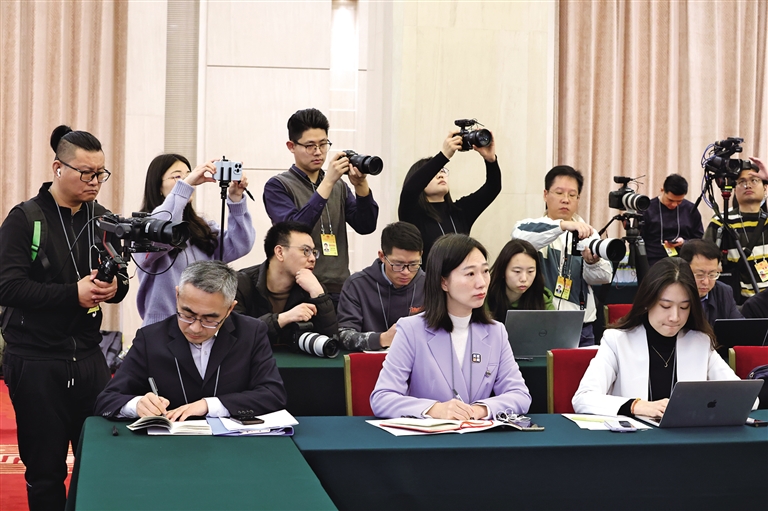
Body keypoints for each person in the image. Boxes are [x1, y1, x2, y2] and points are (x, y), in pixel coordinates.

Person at [0, 125, 129, 510]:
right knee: (45, 470)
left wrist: (115, 288)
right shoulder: (25, 219)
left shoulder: (103, 219)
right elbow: (7, 288)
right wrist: (72, 294)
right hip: (35, 360)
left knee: (100, 462)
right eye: (86, 173)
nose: (95, 182)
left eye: (101, 173)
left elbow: (121, 278)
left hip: (89, 357)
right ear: (58, 168)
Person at [94, 260, 286, 421]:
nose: (195, 327)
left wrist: (209, 405)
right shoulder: (150, 338)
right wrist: (136, 405)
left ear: (229, 309)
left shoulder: (251, 333)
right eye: (187, 314)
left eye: (209, 319)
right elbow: (107, 400)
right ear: (177, 296)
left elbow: (273, 394)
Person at [370, 234, 531, 420]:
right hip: (429, 436)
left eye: (485, 271)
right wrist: (434, 410)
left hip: (476, 433)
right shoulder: (411, 330)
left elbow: (520, 395)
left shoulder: (496, 332)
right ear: (443, 282)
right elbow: (382, 398)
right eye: (470, 274)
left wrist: (481, 409)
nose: (481, 283)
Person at [572, 258, 748, 418]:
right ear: (647, 302)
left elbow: (746, 398)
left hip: (686, 438)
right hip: (634, 439)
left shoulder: (700, 342)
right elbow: (583, 399)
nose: (675, 317)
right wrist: (635, 406)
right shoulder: (617, 341)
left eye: (684, 307)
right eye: (665, 306)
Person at [263, 108, 379, 305]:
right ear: (291, 146)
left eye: (323, 144)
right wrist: (328, 183)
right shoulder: (278, 186)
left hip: (339, 287)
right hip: (299, 287)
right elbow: (294, 230)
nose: (318, 152)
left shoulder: (339, 186)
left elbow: (366, 225)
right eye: (310, 146)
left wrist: (360, 185)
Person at [136, 153, 255, 326]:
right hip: (162, 326)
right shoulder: (142, 228)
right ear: (158, 187)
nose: (186, 182)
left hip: (201, 326)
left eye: (188, 175)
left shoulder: (201, 227)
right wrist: (185, 185)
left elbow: (241, 244)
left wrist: (236, 199)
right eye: (177, 177)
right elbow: (162, 232)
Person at [512, 165, 613, 346]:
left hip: (582, 327)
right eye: (559, 193)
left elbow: (605, 276)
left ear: (578, 199)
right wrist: (562, 226)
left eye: (572, 195)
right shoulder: (533, 227)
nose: (566, 200)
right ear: (545, 195)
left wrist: (592, 262)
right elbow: (519, 237)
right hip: (542, 323)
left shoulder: (589, 234)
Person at [398, 128, 501, 261]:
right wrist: (444, 155)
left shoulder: (460, 211)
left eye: (442, 171)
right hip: (428, 275)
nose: (440, 175)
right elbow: (410, 190)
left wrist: (490, 160)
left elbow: (493, 188)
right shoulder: (412, 213)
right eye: (434, 173)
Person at [234, 221, 337, 345]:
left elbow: (331, 341)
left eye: (314, 252)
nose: (312, 258)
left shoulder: (311, 287)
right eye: (306, 250)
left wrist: (319, 295)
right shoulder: (241, 283)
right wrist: (284, 318)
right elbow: (235, 334)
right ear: (280, 252)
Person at [337, 221, 426, 351]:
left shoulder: (429, 284)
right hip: (370, 361)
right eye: (398, 264)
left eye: (413, 264)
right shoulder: (357, 285)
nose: (406, 272)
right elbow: (344, 335)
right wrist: (382, 339)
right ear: (382, 256)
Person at [704, 160, 768, 304]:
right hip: (738, 304)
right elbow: (704, 257)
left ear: (765, 187)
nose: (748, 185)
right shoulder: (721, 222)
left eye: (754, 180)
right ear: (734, 189)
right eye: (741, 182)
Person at [641, 174, 704, 266]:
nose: (674, 205)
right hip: (652, 261)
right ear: (662, 190)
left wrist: (684, 243)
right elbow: (639, 240)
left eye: (679, 201)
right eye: (670, 200)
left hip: (684, 261)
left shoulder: (690, 209)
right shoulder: (647, 209)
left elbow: (699, 239)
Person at [486, 239, 555, 322]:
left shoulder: (542, 302)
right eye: (517, 271)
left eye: (530, 271)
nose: (524, 279)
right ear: (502, 270)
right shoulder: (483, 297)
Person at [679, 239, 741, 328]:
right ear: (683, 269)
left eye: (712, 274)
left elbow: (739, 329)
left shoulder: (723, 292)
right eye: (699, 275)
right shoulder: (670, 294)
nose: (706, 282)